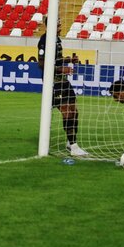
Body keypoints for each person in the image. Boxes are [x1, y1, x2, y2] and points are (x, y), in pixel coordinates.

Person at [38, 17, 88, 157]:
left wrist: (68, 60)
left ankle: (69, 142)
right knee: (67, 112)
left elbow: (55, 59)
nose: (60, 26)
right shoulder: (44, 40)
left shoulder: (57, 40)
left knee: (74, 110)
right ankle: (74, 146)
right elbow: (42, 64)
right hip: (53, 82)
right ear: (51, 25)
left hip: (63, 81)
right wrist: (61, 69)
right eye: (58, 24)